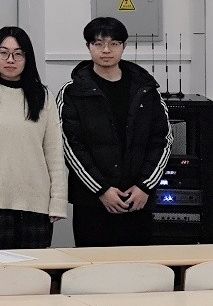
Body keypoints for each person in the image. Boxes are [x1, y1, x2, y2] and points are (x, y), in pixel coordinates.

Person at [59, 17, 172, 246]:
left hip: (138, 199)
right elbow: (70, 146)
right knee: (93, 264)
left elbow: (163, 140)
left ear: (124, 46)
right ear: (88, 47)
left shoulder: (146, 89)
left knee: (139, 264)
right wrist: (101, 189)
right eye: (98, 43)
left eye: (114, 43)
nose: (106, 50)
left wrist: (144, 186)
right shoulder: (72, 92)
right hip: (92, 203)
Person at [0, 26, 66, 248]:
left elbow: (54, 153)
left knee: (34, 268)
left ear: (28, 58)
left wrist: (58, 201)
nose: (10, 60)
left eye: (18, 54)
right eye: (4, 53)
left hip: (35, 204)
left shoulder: (43, 96)